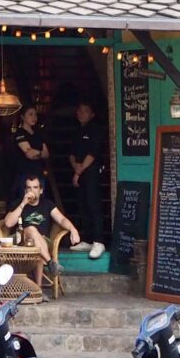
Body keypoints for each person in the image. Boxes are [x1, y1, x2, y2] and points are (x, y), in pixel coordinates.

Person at [3, 174, 81, 289]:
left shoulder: (47, 204)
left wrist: (73, 229)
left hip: (42, 243)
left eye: (35, 187)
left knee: (37, 247)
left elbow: (62, 219)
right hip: (21, 241)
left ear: (41, 190)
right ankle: (50, 264)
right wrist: (23, 203)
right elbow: (8, 223)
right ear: (25, 190)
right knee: (31, 229)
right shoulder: (18, 203)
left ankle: (38, 289)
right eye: (28, 188)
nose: (31, 191)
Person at [67, 102, 108, 259]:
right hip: (80, 172)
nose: (80, 113)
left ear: (92, 114)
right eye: (79, 110)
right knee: (82, 206)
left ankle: (99, 241)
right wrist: (76, 168)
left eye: (85, 111)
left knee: (94, 205)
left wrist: (79, 170)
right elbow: (71, 153)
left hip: (91, 172)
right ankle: (88, 240)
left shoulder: (95, 129)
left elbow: (92, 154)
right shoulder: (77, 131)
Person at [7, 106, 50, 199]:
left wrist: (36, 152)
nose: (34, 117)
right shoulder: (20, 133)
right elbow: (29, 154)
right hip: (24, 173)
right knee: (26, 199)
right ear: (23, 117)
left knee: (39, 199)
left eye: (35, 115)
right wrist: (39, 153)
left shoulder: (39, 133)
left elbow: (46, 154)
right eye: (30, 114)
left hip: (39, 173)